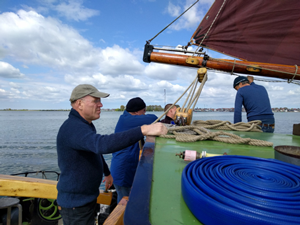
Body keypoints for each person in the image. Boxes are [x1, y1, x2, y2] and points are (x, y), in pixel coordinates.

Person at [56, 85, 167, 225]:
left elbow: (94, 151)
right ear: (79, 103)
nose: (100, 104)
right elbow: (101, 144)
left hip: (87, 198)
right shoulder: (73, 128)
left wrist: (107, 173)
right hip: (75, 204)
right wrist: (143, 129)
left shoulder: (84, 125)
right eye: (96, 100)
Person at [110, 97, 158, 203]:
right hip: (123, 171)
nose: (145, 114)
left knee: (126, 199)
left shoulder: (127, 119)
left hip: (123, 169)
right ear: (136, 111)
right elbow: (153, 118)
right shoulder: (127, 120)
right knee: (124, 202)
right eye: (144, 111)